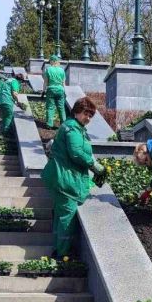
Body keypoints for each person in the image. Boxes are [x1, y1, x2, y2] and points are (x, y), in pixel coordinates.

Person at [41, 97, 105, 257]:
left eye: (91, 116)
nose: (88, 118)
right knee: (66, 216)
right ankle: (62, 254)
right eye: (86, 114)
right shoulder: (72, 128)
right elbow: (76, 153)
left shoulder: (75, 127)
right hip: (64, 179)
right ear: (76, 111)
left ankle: (57, 249)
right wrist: (94, 165)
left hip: (65, 177)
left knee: (60, 213)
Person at [42, 54, 66, 128]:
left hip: (51, 89)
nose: (50, 63)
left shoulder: (48, 69)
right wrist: (64, 92)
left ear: (53, 61)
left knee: (50, 107)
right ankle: (64, 124)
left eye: (50, 61)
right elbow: (63, 83)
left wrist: (43, 91)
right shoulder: (62, 70)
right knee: (61, 107)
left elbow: (46, 82)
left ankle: (49, 124)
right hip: (60, 90)